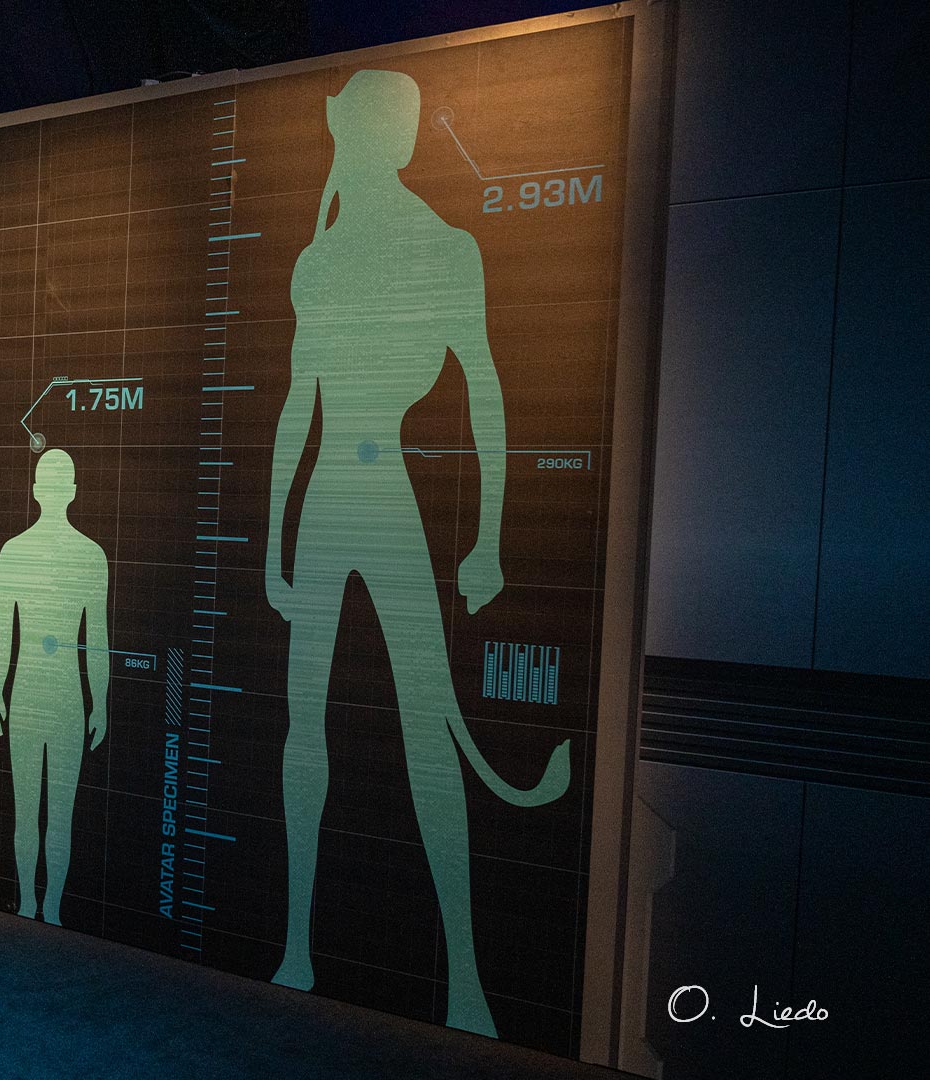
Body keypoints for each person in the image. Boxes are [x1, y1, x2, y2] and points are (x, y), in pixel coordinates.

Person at [263, 69, 570, 1038]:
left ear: (378, 138)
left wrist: (488, 539)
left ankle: (466, 982)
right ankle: (298, 948)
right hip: (333, 504)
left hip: (377, 494)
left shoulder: (442, 249)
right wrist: (274, 542)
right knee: (307, 722)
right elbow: (298, 406)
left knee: (425, 731)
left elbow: (486, 390)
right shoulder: (321, 261)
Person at [0, 449, 111, 926]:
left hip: (35, 696)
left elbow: (6, 632)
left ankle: (38, 907)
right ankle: (43, 909)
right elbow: (95, 642)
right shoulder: (88, 556)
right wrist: (99, 703)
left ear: (40, 491)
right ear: (69, 492)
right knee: (54, 814)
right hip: (60, 698)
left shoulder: (18, 552)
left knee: (40, 813)